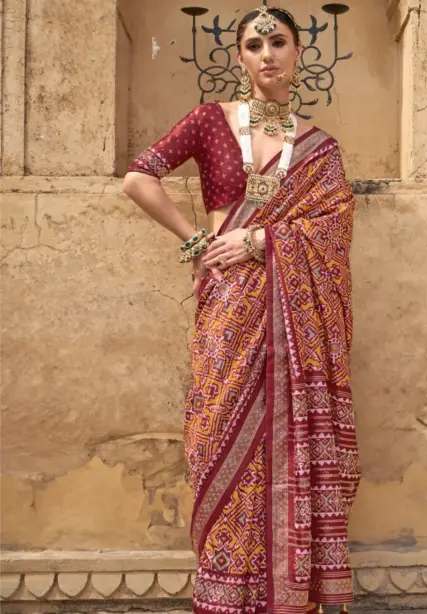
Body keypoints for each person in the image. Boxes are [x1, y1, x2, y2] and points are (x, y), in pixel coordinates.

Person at [123, 6, 361, 614]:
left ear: (298, 52)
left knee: (284, 441)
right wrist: (196, 242)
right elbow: (139, 178)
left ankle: (290, 592)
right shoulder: (212, 121)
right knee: (220, 431)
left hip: (293, 309)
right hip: (228, 302)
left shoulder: (319, 148)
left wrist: (260, 239)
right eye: (254, 45)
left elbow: (334, 228)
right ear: (240, 56)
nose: (267, 54)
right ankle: (229, 588)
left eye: (278, 42)